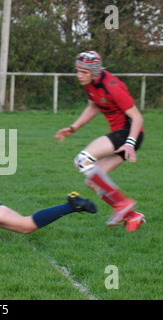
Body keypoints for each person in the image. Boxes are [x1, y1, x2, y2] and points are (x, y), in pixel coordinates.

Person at [54, 51, 145, 232]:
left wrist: (129, 143)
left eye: (84, 72)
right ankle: (131, 216)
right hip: (121, 135)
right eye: (78, 71)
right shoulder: (92, 84)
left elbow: (137, 117)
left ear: (94, 72)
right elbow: (93, 105)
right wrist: (74, 127)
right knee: (93, 180)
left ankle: (121, 203)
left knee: (82, 160)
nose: (79, 76)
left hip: (127, 134)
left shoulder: (112, 86)